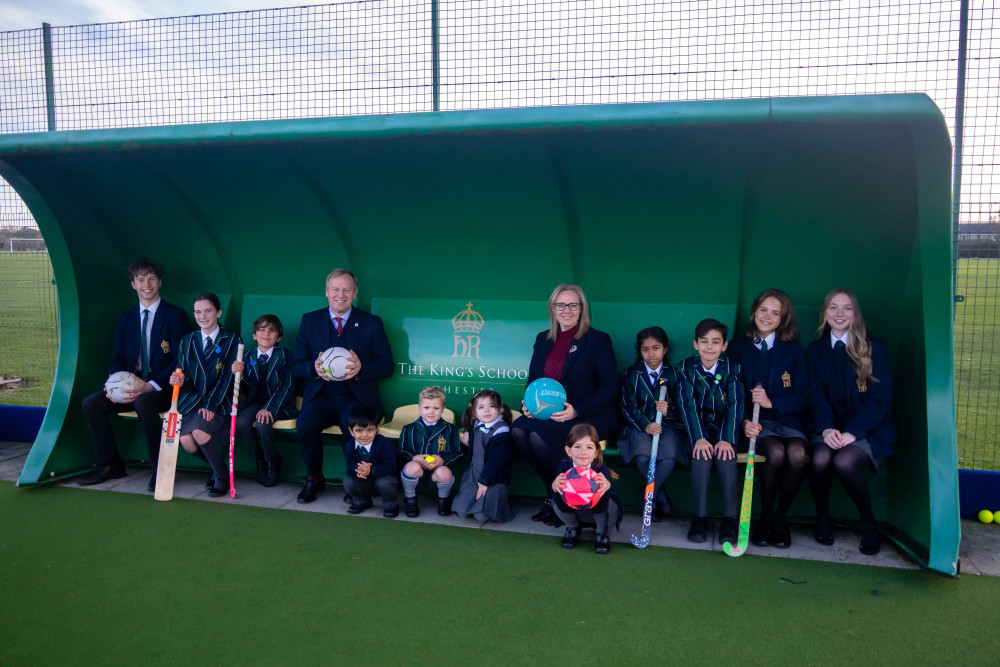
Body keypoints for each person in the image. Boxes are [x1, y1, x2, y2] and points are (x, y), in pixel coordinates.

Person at [510, 284, 619, 527]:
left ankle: (561, 500)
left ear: (582, 309)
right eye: (560, 305)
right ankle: (556, 494)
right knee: (518, 430)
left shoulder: (597, 340)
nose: (566, 310)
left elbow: (610, 387)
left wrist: (577, 409)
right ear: (552, 308)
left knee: (538, 438)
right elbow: (533, 381)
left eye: (573, 305)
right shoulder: (543, 339)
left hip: (589, 415)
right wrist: (528, 406)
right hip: (549, 415)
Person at [79, 258, 188, 492]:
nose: (146, 284)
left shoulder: (175, 315)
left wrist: (150, 385)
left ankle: (161, 469)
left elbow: (180, 359)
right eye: (141, 280)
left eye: (151, 279)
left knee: (144, 402)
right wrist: (114, 384)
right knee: (92, 404)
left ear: (160, 282)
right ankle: (112, 466)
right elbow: (118, 356)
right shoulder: (126, 317)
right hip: (131, 383)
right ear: (133, 284)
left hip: (164, 386)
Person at [290, 269, 394, 504]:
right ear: (326, 292)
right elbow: (296, 364)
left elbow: (387, 366)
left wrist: (362, 369)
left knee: (354, 427)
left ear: (355, 293)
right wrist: (313, 369)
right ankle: (314, 479)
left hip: (357, 398)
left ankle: (354, 482)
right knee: (305, 424)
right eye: (335, 289)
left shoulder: (372, 323)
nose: (341, 294)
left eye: (347, 290)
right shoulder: (310, 320)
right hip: (321, 396)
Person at [806, 288, 895, 555]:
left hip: (866, 430)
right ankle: (822, 516)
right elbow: (816, 395)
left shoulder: (874, 347)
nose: (839, 313)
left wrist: (853, 433)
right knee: (820, 458)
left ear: (855, 314)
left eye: (847, 308)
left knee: (844, 461)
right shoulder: (815, 351)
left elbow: (880, 398)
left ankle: (868, 522)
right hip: (828, 426)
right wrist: (827, 428)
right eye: (833, 307)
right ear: (825, 313)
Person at [727, 289, 809, 549]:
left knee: (796, 453)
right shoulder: (739, 347)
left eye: (776, 312)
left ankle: (780, 519)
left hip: (789, 422)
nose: (768, 316)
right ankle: (764, 520)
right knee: (774, 453)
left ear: (783, 319)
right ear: (754, 312)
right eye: (764, 309)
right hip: (756, 425)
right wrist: (742, 423)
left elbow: (805, 395)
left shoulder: (793, 350)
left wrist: (772, 402)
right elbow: (731, 392)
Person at [677, 318, 744, 545]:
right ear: (695, 344)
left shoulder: (733, 369)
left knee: (726, 461)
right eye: (704, 342)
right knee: (701, 459)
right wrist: (699, 438)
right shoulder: (685, 369)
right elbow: (687, 405)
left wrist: (726, 439)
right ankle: (699, 518)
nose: (709, 347)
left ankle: (729, 520)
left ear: (724, 346)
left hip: (725, 432)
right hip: (698, 432)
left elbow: (735, 405)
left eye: (716, 342)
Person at [168, 293, 242, 497]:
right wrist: (179, 380)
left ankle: (220, 478)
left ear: (218, 312)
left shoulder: (233, 339)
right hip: (192, 401)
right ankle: (221, 470)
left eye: (208, 310)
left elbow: (228, 377)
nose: (203, 316)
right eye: (198, 312)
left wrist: (212, 404)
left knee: (199, 433)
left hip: (219, 402)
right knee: (186, 442)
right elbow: (183, 372)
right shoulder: (187, 340)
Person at [618, 326, 688, 521]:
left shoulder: (675, 374)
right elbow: (627, 407)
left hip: (669, 426)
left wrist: (669, 411)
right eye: (645, 349)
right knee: (642, 457)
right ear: (639, 351)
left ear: (665, 349)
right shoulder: (629, 375)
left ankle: (649, 493)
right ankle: (659, 494)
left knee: (668, 458)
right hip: (639, 426)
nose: (651, 354)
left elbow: (684, 408)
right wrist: (645, 425)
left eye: (656, 348)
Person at [231, 314, 297, 487]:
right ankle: (259, 459)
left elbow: (287, 386)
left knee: (262, 423)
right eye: (261, 330)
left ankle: (271, 461)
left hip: (278, 405)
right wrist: (240, 375)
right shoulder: (248, 356)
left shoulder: (286, 356)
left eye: (272, 331)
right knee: (241, 422)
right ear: (254, 335)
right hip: (254, 403)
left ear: (279, 337)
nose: (266, 334)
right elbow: (245, 388)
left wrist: (270, 408)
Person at [453, 389, 516, 523]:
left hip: (492, 478)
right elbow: (470, 423)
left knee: (480, 516)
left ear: (500, 409)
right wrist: (467, 431)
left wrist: (484, 481)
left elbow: (497, 461)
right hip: (474, 475)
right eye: (481, 407)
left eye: (491, 406)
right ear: (475, 413)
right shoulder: (476, 425)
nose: (486, 410)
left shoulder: (501, 431)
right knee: (462, 512)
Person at [398, 386, 462, 518]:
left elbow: (458, 453)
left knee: (444, 471)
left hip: (436, 477)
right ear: (419, 407)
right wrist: (414, 458)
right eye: (427, 407)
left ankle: (443, 501)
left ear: (443, 409)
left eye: (436, 408)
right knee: (411, 466)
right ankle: (410, 500)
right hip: (417, 477)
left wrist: (442, 460)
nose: (431, 412)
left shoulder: (450, 429)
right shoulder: (408, 429)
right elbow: (401, 451)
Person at [551, 424, 615, 554]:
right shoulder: (564, 467)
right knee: (554, 501)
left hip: (597, 512)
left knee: (611, 503)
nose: (583, 452)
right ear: (568, 451)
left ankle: (602, 534)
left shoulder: (599, 468)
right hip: (577, 513)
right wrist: (555, 486)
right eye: (577, 446)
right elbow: (557, 491)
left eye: (589, 447)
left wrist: (606, 487)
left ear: (596, 452)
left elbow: (605, 496)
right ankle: (573, 527)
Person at [343, 405, 400, 518]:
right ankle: (362, 501)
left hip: (385, 481)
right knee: (347, 481)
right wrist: (358, 470)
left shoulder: (384, 444)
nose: (365, 435)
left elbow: (392, 467)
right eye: (359, 430)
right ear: (351, 431)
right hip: (365, 482)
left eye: (370, 430)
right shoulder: (349, 446)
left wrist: (371, 470)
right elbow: (349, 466)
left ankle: (391, 505)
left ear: (376, 429)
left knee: (386, 482)